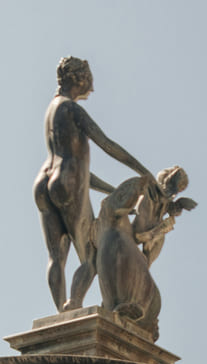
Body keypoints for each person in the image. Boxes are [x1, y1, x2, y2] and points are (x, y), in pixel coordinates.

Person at [33, 56, 157, 313]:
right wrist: (144, 172)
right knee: (91, 256)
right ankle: (74, 304)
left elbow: (82, 172)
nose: (91, 87)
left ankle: (61, 312)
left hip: (44, 180)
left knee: (56, 256)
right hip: (67, 180)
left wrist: (115, 192)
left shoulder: (52, 109)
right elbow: (107, 144)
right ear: (78, 78)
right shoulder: (72, 109)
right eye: (89, 79)